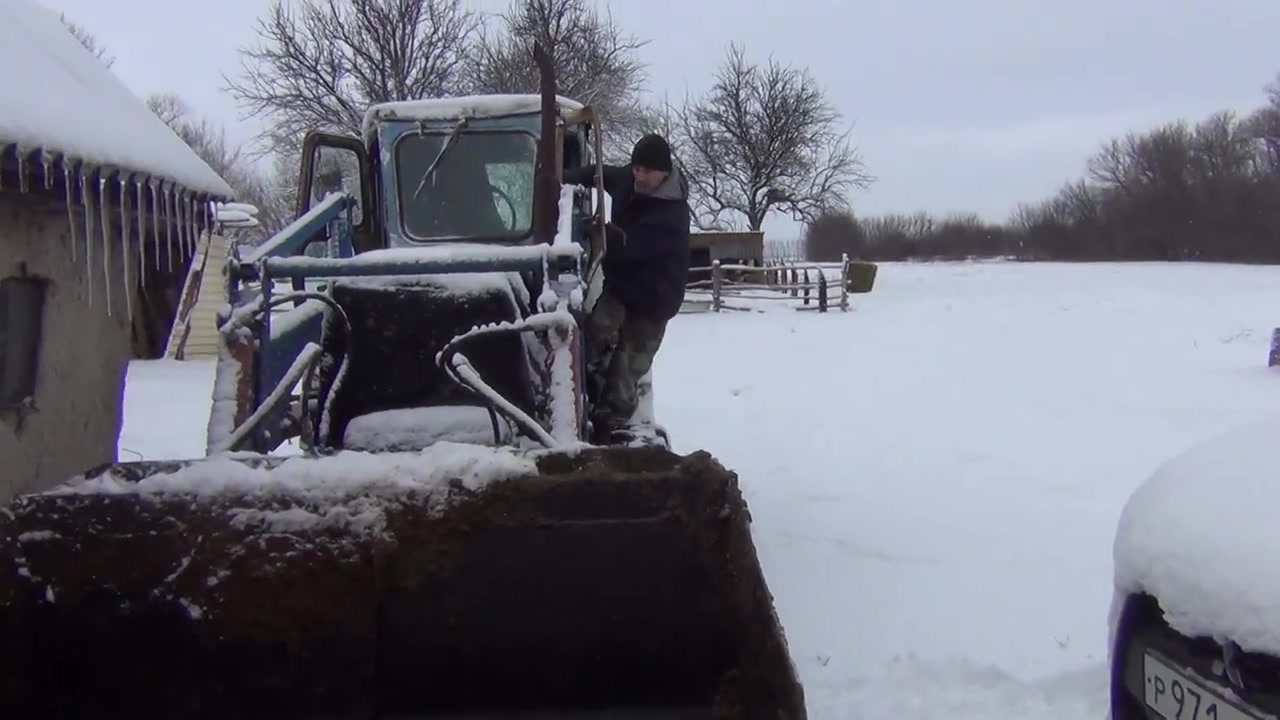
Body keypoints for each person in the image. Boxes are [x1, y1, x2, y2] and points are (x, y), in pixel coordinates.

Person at [562, 133, 691, 444]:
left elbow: (629, 247)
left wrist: (599, 234)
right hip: (621, 283)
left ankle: (610, 423)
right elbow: (598, 174)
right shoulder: (627, 179)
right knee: (594, 333)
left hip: (655, 297)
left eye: (647, 171)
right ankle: (577, 392)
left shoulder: (672, 213)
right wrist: (564, 178)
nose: (639, 177)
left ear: (663, 171)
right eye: (636, 169)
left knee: (629, 364)